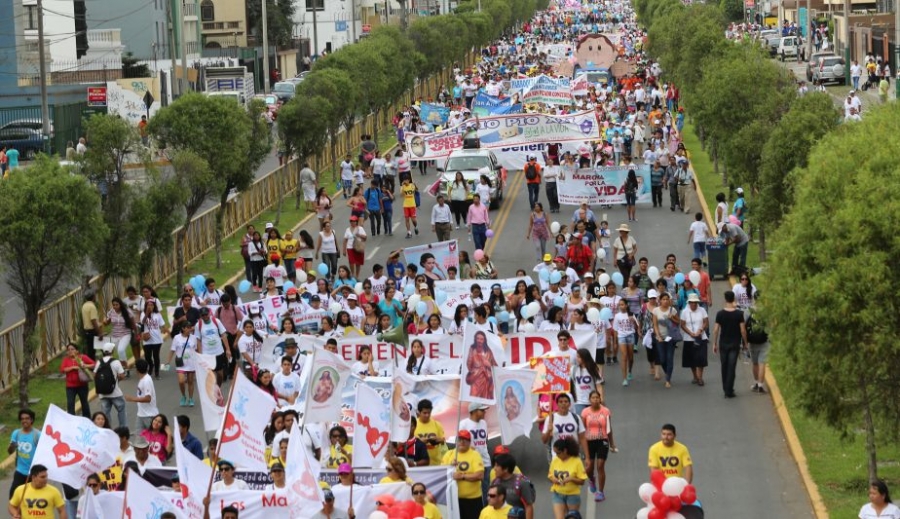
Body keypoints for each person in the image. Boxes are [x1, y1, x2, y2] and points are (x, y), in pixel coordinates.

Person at [712, 291, 748, 399]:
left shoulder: (720, 314)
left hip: (723, 343)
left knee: (724, 365)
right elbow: (743, 330)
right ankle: (729, 389)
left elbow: (715, 330)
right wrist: (745, 343)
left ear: (725, 299)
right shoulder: (739, 314)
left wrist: (714, 343)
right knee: (732, 367)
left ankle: (725, 389)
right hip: (734, 343)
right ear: (733, 299)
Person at [581, 390, 615, 502]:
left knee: (600, 465)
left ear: (600, 399)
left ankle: (600, 492)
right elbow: (582, 430)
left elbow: (609, 429)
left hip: (602, 440)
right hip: (589, 441)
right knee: (589, 467)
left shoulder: (606, 411)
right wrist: (581, 444)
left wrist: (612, 444)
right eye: (593, 398)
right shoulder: (585, 412)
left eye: (597, 398)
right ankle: (591, 479)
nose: (595, 400)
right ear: (589, 400)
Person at [443, 430, 485, 518]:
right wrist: (450, 466)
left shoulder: (475, 455)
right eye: (460, 439)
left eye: (465, 439)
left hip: (473, 500)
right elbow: (442, 474)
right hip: (454, 500)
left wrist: (462, 476)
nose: (462, 442)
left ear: (469, 442)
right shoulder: (449, 454)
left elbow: (480, 475)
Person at [548, 438, 587, 519]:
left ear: (565, 451)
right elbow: (550, 475)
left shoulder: (577, 461)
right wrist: (554, 479)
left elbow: (582, 481)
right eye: (555, 453)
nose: (557, 455)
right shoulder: (555, 460)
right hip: (558, 493)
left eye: (558, 453)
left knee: (572, 517)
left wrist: (571, 479)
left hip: (572, 495)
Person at [7, 409, 40, 499]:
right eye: (22, 419)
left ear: (32, 420)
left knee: (32, 500)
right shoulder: (16, 433)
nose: (24, 421)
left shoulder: (37, 435)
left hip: (34, 473)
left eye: (27, 418)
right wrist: (12, 446)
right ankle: (18, 513)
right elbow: (10, 452)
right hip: (20, 471)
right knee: (14, 497)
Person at [492, 453, 535, 519]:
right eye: (494, 465)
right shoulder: (495, 482)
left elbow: (528, 506)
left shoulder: (522, 483)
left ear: (506, 469)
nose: (494, 468)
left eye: (497, 466)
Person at [95, 342, 127, 427]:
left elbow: (95, 375)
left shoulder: (99, 362)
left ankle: (108, 430)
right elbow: (122, 375)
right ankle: (123, 430)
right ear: (112, 351)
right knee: (121, 410)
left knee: (105, 414)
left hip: (103, 394)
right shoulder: (116, 362)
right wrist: (116, 380)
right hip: (115, 392)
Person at [652, 292, 680, 388]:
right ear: (660, 300)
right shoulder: (656, 310)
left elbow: (678, 322)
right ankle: (667, 372)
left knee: (669, 358)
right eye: (663, 299)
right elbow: (655, 324)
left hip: (671, 338)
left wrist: (672, 318)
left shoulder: (673, 310)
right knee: (662, 359)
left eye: (667, 299)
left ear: (669, 300)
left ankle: (668, 379)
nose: (665, 301)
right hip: (660, 338)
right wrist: (658, 336)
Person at [680, 294, 709, 386]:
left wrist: (700, 330)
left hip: (701, 337)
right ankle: (695, 376)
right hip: (689, 338)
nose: (693, 304)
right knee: (691, 359)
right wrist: (690, 333)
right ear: (689, 302)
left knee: (701, 358)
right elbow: (683, 325)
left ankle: (700, 378)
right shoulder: (685, 312)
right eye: (692, 302)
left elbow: (706, 322)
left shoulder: (702, 310)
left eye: (695, 302)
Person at [60, 342, 94, 417]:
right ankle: (72, 421)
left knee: (84, 403)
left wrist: (85, 365)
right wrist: (72, 368)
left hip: (82, 385)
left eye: (72, 349)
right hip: (70, 386)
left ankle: (87, 419)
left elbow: (94, 364)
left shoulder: (82, 357)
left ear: (77, 351)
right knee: (70, 404)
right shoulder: (66, 360)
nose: (70, 351)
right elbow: (62, 370)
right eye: (68, 350)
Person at [125, 358, 158, 433]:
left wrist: (132, 399)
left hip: (149, 415)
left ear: (137, 370)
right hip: (141, 414)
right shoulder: (143, 379)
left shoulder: (146, 381)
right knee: (140, 439)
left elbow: (148, 398)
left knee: (152, 439)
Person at [465, 330, 498, 400]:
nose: (479, 341)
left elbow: (496, 367)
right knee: (474, 400)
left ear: (484, 340)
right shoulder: (472, 349)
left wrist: (489, 365)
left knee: (485, 402)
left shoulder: (488, 351)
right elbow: (469, 365)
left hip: (486, 381)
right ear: (475, 339)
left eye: (481, 339)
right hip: (475, 380)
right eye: (478, 338)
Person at [415, 399, 446, 466]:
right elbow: (410, 443)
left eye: (429, 413)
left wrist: (438, 440)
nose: (427, 415)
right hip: (419, 463)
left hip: (435, 463)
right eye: (424, 413)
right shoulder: (414, 425)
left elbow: (443, 440)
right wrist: (423, 441)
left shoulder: (437, 424)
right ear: (419, 412)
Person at [81, 290, 102, 361]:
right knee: (102, 348)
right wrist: (99, 333)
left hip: (87, 331)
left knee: (90, 350)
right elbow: (93, 320)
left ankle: (91, 365)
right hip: (93, 331)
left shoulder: (84, 306)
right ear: (93, 297)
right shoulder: (92, 306)